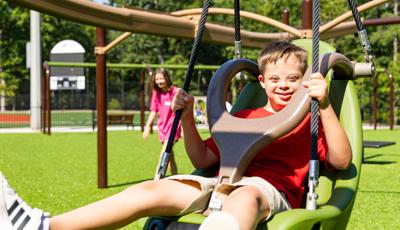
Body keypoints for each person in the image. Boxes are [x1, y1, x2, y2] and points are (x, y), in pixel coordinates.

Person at [0, 41, 352, 230]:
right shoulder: (245, 115)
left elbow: (340, 160)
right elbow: (204, 161)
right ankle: (46, 226)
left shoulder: (313, 117)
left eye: (293, 79)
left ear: (305, 80)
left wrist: (323, 104)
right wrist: (185, 118)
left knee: (243, 198)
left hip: (268, 192)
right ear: (262, 82)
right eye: (275, 79)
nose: (284, 86)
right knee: (152, 190)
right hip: (220, 182)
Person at [142, 68, 182, 176]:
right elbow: (154, 110)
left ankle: (157, 179)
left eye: (161, 78)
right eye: (157, 79)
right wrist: (147, 127)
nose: (159, 81)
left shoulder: (175, 91)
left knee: (164, 153)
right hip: (162, 128)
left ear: (167, 78)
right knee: (170, 157)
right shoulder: (157, 93)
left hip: (173, 128)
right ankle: (175, 178)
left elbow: (182, 110)